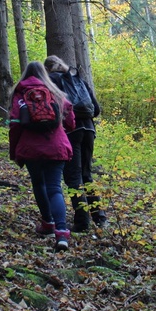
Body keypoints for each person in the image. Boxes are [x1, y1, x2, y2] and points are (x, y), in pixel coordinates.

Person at [9, 61, 76, 251]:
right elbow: (70, 118)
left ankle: (48, 223)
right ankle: (62, 232)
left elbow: (15, 124)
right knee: (55, 188)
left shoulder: (20, 93)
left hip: (31, 148)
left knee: (38, 184)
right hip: (56, 146)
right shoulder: (54, 92)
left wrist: (14, 151)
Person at [43, 55, 106, 232]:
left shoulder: (51, 80)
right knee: (87, 174)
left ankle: (81, 222)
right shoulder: (78, 79)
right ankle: (99, 217)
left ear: (47, 69)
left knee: (73, 177)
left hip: (71, 131)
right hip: (89, 130)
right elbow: (96, 109)